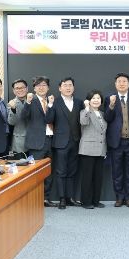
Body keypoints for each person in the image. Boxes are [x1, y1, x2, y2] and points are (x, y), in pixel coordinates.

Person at [104, 73, 129, 207]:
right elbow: (107, 118)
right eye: (119, 81)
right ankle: (119, 197)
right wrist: (111, 105)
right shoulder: (109, 98)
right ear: (115, 84)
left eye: (124, 81)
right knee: (117, 172)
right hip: (116, 141)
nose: (121, 84)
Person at [46, 77, 84, 209]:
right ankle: (62, 198)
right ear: (59, 88)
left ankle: (70, 198)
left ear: (73, 87)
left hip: (76, 141)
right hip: (60, 142)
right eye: (65, 85)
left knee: (72, 171)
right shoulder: (55, 102)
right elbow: (48, 119)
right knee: (61, 171)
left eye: (70, 85)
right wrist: (50, 105)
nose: (68, 87)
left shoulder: (79, 102)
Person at [21, 76, 54, 206]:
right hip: (36, 142)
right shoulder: (31, 101)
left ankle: (46, 198)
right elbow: (23, 116)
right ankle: (35, 200)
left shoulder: (51, 101)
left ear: (48, 88)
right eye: (38, 85)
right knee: (35, 173)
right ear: (34, 88)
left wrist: (51, 105)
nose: (41, 87)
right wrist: (27, 103)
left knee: (48, 172)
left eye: (44, 85)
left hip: (51, 140)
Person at [79, 90, 107, 209]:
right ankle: (85, 202)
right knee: (87, 177)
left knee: (98, 177)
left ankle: (96, 201)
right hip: (88, 149)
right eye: (93, 98)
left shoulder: (102, 113)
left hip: (101, 149)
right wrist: (86, 108)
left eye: (98, 98)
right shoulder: (84, 112)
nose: (96, 100)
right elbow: (83, 122)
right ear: (89, 100)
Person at [7, 79, 29, 158]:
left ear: (27, 88)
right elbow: (11, 122)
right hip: (19, 143)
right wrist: (13, 109)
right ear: (13, 90)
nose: (20, 90)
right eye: (17, 88)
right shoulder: (11, 103)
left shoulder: (33, 101)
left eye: (22, 87)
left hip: (34, 141)